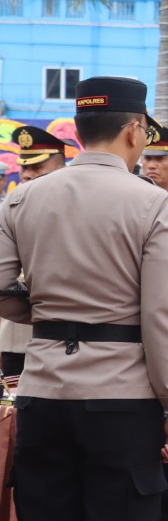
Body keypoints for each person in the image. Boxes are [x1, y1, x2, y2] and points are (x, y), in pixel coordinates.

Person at [0, 76, 168, 521]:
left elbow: (3, 289)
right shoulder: (151, 202)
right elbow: (160, 316)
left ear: (78, 129)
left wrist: (50, 315)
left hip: (44, 390)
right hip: (121, 397)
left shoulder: (22, 197)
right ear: (133, 131)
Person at [0, 126, 74, 376]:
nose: (28, 175)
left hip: (67, 333)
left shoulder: (77, 210)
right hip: (17, 330)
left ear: (61, 168)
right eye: (24, 168)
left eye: (37, 167)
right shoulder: (10, 210)